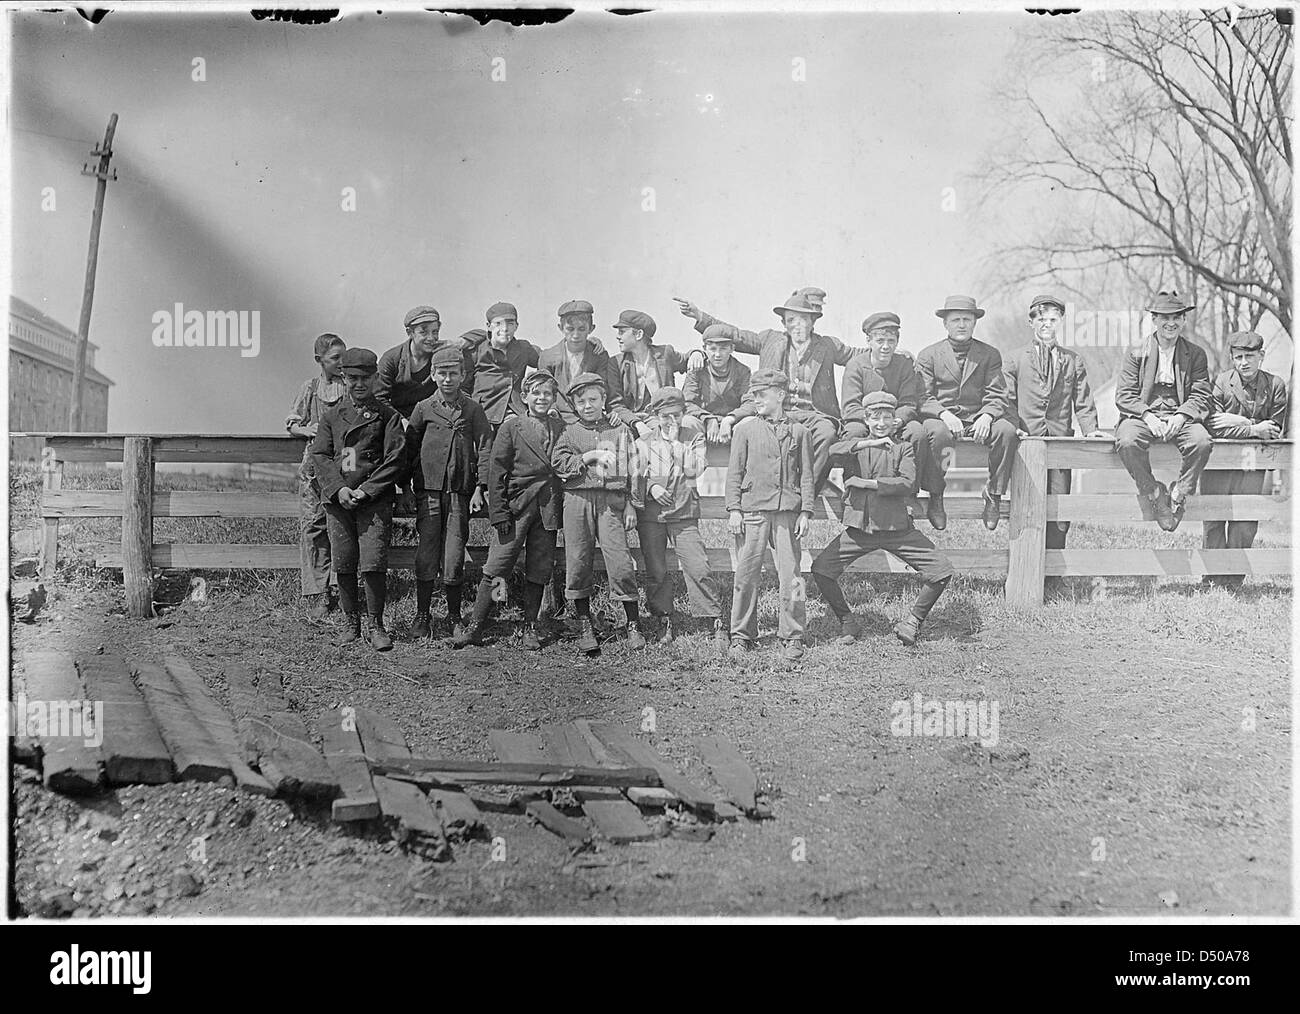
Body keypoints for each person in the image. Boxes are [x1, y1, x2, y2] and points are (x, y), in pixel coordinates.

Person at [674, 287, 863, 491]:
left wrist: (897, 354)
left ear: (812, 322)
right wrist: (700, 316)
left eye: (803, 319)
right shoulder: (769, 340)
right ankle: (770, 495)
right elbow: (734, 334)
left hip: (815, 414)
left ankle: (804, 494)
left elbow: (857, 354)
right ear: (784, 323)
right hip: (779, 412)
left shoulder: (827, 345)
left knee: (827, 434)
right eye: (791, 320)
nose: (797, 325)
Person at [811, 391, 956, 647]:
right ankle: (848, 621)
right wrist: (865, 444)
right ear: (866, 420)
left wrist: (867, 483)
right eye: (875, 418)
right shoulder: (857, 448)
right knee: (822, 570)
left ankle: (912, 622)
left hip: (896, 527)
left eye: (886, 418)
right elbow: (832, 450)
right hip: (860, 528)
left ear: (894, 420)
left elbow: (907, 482)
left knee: (941, 571)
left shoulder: (903, 447)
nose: (881, 424)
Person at [459, 370, 567, 648]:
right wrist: (499, 513)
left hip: (547, 508)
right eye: (536, 393)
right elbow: (497, 472)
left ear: (554, 398)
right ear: (525, 397)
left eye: (547, 394)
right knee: (499, 566)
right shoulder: (512, 426)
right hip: (516, 508)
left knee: (539, 569)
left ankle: (530, 625)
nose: (541, 398)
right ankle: (479, 623)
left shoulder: (560, 427)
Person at [310, 348, 406, 650]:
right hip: (339, 502)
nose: (359, 384)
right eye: (352, 378)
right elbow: (321, 455)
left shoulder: (388, 417)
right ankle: (351, 623)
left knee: (373, 562)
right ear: (343, 377)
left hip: (373, 501)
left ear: (376, 377)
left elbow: (395, 458)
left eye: (365, 378)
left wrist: (366, 490)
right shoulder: (332, 417)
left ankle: (376, 625)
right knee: (344, 561)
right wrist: (339, 489)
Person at [1003, 294, 1105, 555]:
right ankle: (1024, 566)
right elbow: (1007, 400)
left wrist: (1090, 428)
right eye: (1041, 319)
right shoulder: (1015, 359)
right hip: (1027, 443)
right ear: (1031, 322)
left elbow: (1082, 400)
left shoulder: (1072, 360)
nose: (1046, 325)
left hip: (1060, 443)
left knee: (1060, 512)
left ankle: (1054, 574)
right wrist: (1015, 425)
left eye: (1053, 319)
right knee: (1027, 505)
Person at [725, 368, 815, 663]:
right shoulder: (745, 430)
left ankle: (793, 634)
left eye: (762, 395)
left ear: (781, 395)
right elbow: (734, 473)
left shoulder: (800, 431)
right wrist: (735, 509)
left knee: (793, 576)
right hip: (753, 511)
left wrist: (806, 511)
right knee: (746, 574)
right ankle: (740, 634)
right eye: (754, 395)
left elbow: (807, 478)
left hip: (788, 514)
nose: (757, 400)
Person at [404, 346, 492, 643]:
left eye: (454, 373)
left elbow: (486, 447)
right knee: (427, 553)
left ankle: (454, 616)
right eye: (442, 373)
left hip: (460, 493)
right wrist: (406, 486)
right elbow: (409, 449)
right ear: (433, 375)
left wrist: (480, 486)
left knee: (454, 554)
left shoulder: (473, 409)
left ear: (463, 375)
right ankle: (422, 615)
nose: (448, 379)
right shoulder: (423, 408)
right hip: (428, 492)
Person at [551, 372, 643, 654]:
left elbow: (633, 468)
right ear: (574, 405)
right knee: (578, 559)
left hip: (611, 501)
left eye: (593, 399)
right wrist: (585, 458)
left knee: (620, 560)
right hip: (578, 499)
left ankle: (633, 623)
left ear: (604, 400)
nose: (587, 405)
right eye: (581, 401)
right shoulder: (568, 431)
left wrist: (631, 504)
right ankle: (583, 623)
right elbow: (558, 462)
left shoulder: (619, 430)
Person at [631, 386, 728, 651]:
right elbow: (636, 475)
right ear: (655, 415)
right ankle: (664, 618)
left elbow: (695, 469)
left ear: (683, 414)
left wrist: (675, 444)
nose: (670, 421)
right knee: (657, 570)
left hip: (684, 512)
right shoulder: (643, 442)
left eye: (675, 414)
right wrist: (652, 486)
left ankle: (715, 620)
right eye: (664, 416)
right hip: (652, 515)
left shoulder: (693, 437)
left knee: (698, 566)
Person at [915, 294, 1018, 531]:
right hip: (942, 418)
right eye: (956, 320)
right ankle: (936, 495)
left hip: (977, 417)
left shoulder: (989, 354)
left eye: (967, 320)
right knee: (938, 434)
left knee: (1006, 431)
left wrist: (987, 415)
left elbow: (997, 393)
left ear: (974, 323)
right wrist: (943, 414)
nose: (961, 324)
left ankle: (993, 494)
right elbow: (922, 397)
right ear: (945, 324)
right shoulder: (929, 355)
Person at [1114, 290, 1213, 531]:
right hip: (1143, 413)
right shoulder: (1137, 350)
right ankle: (1155, 492)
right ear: (1154, 320)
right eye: (1165, 318)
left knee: (1202, 441)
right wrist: (1147, 416)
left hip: (1180, 412)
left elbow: (1202, 394)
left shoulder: (1195, 353)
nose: (1171, 323)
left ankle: (1179, 493)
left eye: (1176, 317)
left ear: (1184, 320)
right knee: (1127, 441)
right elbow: (1124, 395)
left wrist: (1181, 416)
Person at [1202, 330, 1289, 587]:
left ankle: (1233, 579)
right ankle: (1211, 577)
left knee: (1245, 519)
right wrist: (1252, 427)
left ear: (1261, 356)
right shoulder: (1221, 381)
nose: (1244, 362)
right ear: (1232, 358)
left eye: (1249, 356)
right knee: (1214, 516)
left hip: (1253, 464)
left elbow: (1272, 430)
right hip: (1218, 463)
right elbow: (1214, 426)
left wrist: (1238, 423)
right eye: (1238, 357)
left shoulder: (1275, 385)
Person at [285, 332, 346, 618]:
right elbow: (292, 423)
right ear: (319, 360)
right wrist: (306, 429)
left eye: (342, 357)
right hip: (313, 467)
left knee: (341, 523)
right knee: (313, 525)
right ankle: (319, 591)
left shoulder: (348, 387)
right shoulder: (309, 387)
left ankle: (341, 586)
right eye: (335, 358)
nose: (340, 363)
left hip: (342, 464)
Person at [840, 313, 925, 482]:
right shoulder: (856, 366)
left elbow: (908, 402)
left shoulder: (904, 364)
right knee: (854, 433)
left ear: (897, 342)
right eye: (880, 341)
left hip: (895, 421)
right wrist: (874, 421)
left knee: (917, 432)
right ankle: (853, 487)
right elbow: (850, 407)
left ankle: (909, 491)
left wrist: (898, 420)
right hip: (865, 421)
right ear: (869, 341)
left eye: (891, 341)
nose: (885, 347)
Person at [537, 299, 627, 426]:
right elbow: (545, 389)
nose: (575, 334)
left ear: (591, 329)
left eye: (581, 329)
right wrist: (552, 409)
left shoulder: (598, 355)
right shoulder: (548, 356)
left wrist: (611, 411)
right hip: (558, 418)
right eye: (570, 329)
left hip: (591, 418)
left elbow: (604, 387)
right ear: (560, 328)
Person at [460, 301, 542, 435]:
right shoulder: (476, 352)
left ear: (516, 326)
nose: (504, 329)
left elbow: (548, 361)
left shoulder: (524, 348)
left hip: (514, 412)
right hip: (483, 413)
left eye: (510, 323)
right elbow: (463, 388)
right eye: (498, 323)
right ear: (488, 326)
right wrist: (472, 415)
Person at [375, 305, 467, 420]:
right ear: (410, 333)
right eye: (423, 332)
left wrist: (455, 343)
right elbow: (379, 398)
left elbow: (480, 335)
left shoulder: (440, 355)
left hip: (432, 418)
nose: (431, 338)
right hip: (397, 418)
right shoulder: (392, 359)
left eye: (435, 332)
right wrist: (400, 422)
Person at [611, 309, 690, 435]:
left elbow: (687, 360)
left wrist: (697, 353)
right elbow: (615, 404)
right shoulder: (615, 363)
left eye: (622, 332)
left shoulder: (665, 353)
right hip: (632, 420)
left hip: (662, 417)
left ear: (638, 334)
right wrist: (637, 423)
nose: (617, 336)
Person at [682, 323, 752, 443]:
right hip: (704, 422)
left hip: (732, 423)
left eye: (723, 349)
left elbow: (750, 402)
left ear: (732, 349)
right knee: (687, 421)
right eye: (713, 349)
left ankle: (742, 461)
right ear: (704, 348)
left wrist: (730, 418)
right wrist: (708, 419)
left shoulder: (742, 371)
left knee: (750, 422)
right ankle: (694, 460)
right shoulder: (697, 370)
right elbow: (687, 402)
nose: (718, 355)